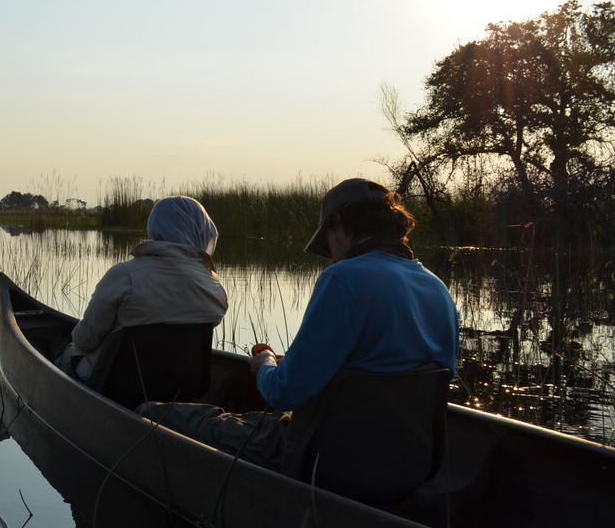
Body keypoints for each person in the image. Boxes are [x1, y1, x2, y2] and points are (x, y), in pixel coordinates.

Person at [136, 178, 458, 472]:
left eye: (328, 242)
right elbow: (391, 369)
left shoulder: (343, 278)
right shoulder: (437, 288)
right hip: (403, 461)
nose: (332, 258)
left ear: (337, 222)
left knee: (150, 413)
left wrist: (265, 364)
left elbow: (284, 393)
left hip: (319, 455)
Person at [54, 196, 229, 383]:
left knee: (61, 353)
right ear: (204, 231)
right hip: (180, 387)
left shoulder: (124, 275)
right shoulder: (213, 287)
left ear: (155, 227)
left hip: (112, 385)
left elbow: (84, 341)